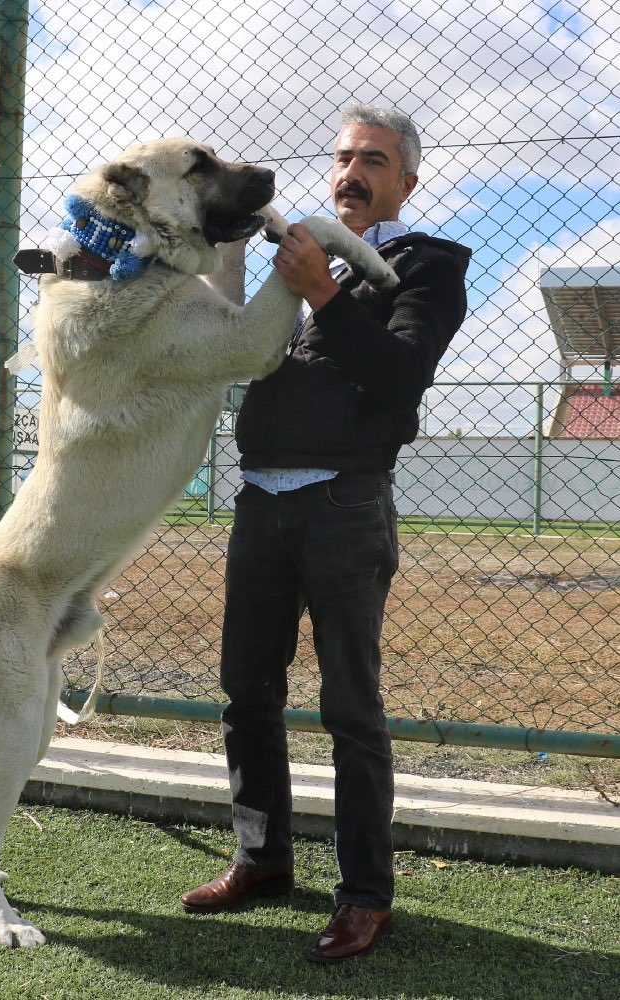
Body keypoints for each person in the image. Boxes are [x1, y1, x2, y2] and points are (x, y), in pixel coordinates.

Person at [179, 101, 471, 964]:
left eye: (374, 160)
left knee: (350, 708)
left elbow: (400, 375)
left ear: (406, 182)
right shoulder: (297, 250)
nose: (352, 171)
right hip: (260, 499)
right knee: (247, 695)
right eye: (344, 155)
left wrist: (323, 292)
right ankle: (262, 859)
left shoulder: (427, 266)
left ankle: (364, 896)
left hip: (345, 502)